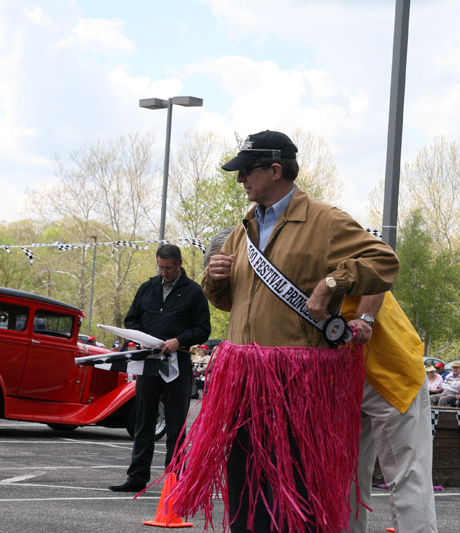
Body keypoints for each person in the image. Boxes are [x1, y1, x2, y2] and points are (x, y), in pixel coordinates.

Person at [169, 130, 400, 532]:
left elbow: (384, 262)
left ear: (276, 170)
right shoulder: (242, 232)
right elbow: (231, 304)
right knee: (244, 487)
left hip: (297, 381)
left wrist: (333, 282)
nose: (241, 180)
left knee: (294, 489)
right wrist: (216, 280)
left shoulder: (326, 221)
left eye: (247, 171)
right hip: (244, 377)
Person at [108, 244, 211, 493]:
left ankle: (176, 478)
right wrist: (140, 335)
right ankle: (136, 477)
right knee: (144, 421)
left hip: (178, 364)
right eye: (160, 268)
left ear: (179, 264)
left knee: (176, 424)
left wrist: (180, 340)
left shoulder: (194, 292)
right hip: (149, 361)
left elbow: (203, 329)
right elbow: (131, 318)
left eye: (168, 268)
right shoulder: (148, 288)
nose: (163, 273)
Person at [343, 292, 437, 533]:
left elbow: (379, 262)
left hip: (389, 365)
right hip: (337, 371)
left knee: (408, 476)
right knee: (342, 480)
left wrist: (364, 316)